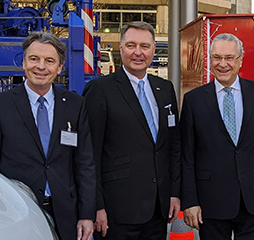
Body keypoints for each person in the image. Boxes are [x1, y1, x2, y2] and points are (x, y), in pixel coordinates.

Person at [0, 32, 95, 240]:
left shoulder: (76, 105)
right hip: (16, 213)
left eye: (49, 61)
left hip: (65, 214)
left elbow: (84, 163)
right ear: (23, 63)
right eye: (34, 59)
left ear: (59, 68)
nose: (41, 66)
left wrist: (86, 215)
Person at [180, 33, 254, 240]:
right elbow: (187, 156)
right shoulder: (194, 100)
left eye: (229, 58)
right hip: (210, 203)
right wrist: (190, 201)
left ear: (240, 60)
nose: (223, 64)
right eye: (217, 57)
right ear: (210, 60)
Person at [82, 21, 181, 239]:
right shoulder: (100, 90)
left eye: (145, 46)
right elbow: (90, 154)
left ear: (154, 49)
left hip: (158, 208)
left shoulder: (165, 89)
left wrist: (174, 193)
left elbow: (172, 146)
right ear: (121, 47)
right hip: (117, 211)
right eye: (131, 45)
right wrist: (96, 206)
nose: (138, 52)